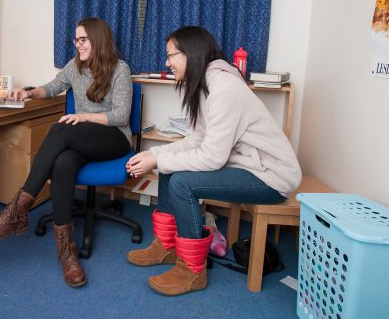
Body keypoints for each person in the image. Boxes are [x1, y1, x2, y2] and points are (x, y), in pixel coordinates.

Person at [125, 26, 301, 296]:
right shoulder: (203, 87)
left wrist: (159, 160)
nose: (166, 62)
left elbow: (212, 157)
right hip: (246, 166)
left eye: (170, 55)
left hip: (271, 176)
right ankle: (167, 246)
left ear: (191, 54)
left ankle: (192, 271)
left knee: (182, 182)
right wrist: (155, 155)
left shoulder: (224, 89)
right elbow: (195, 141)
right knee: (170, 169)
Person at [0, 17, 133, 288]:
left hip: (114, 138)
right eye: (76, 40)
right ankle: (66, 250)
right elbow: (52, 87)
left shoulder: (120, 69)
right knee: (63, 162)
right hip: (83, 137)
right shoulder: (74, 67)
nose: (78, 44)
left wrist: (83, 116)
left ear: (98, 39)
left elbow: (121, 115)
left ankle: (16, 210)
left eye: (82, 39)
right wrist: (28, 93)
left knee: (61, 128)